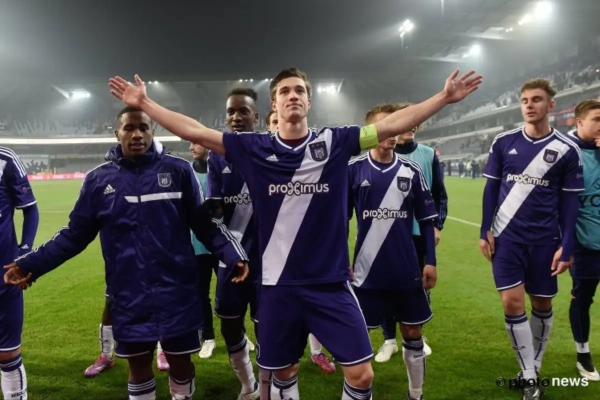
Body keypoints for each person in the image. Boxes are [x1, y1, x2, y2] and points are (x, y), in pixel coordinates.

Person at [108, 67, 482, 400]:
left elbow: (390, 125)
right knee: (284, 374)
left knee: (362, 374)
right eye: (285, 91)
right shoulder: (254, 148)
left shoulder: (336, 142)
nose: (293, 96)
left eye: (299, 90)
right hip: (277, 287)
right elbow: (197, 132)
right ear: (274, 103)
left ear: (308, 101)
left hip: (330, 284)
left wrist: (444, 97)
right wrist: (146, 104)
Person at [4, 107, 250, 400]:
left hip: (177, 291)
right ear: (117, 133)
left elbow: (204, 225)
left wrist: (233, 255)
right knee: (138, 367)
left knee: (181, 364)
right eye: (129, 128)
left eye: (143, 128)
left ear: (152, 132)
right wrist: (31, 264)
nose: (137, 134)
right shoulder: (98, 181)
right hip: (129, 293)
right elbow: (74, 236)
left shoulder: (178, 171)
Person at [479, 78, 583, 400]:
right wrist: (484, 229)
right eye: (524, 100)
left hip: (545, 240)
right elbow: (491, 188)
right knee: (511, 302)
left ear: (550, 105)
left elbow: (570, 201)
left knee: (542, 304)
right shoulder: (503, 142)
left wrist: (567, 244)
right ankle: (528, 378)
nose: (529, 105)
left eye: (536, 99)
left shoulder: (567, 149)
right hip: (507, 239)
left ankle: (533, 368)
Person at [348, 104, 438, 400]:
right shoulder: (353, 170)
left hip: (406, 270)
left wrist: (431, 262)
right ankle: (360, 393)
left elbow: (427, 220)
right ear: (371, 132)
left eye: (395, 125)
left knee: (412, 333)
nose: (392, 132)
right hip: (365, 273)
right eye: (385, 126)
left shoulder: (411, 170)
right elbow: (339, 221)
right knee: (357, 337)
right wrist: (341, 260)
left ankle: (416, 394)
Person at [375, 103, 448, 363]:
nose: (411, 125)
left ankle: (418, 335)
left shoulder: (428, 155)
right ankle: (389, 340)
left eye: (414, 121)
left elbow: (439, 195)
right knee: (385, 287)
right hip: (387, 233)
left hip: (419, 234)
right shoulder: (382, 155)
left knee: (420, 285)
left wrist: (437, 225)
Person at [266, 109, 335, 374]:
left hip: (312, 254)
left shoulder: (312, 157)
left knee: (315, 307)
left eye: (278, 121)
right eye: (273, 122)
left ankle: (316, 353)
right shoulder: (262, 158)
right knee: (276, 327)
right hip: (274, 258)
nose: (277, 126)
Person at [206, 87, 262, 399]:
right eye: (231, 111)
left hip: (268, 258)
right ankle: (248, 384)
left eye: (243, 111)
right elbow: (214, 211)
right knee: (229, 324)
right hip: (232, 258)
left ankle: (268, 385)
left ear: (256, 116)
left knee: (268, 326)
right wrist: (209, 210)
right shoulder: (217, 155)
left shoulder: (270, 150)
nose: (236, 117)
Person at [0, 146, 39, 400]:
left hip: (3, 275)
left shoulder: (5, 159)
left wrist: (24, 252)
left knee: (7, 355)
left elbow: (30, 208)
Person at [567, 99, 600, 381]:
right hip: (584, 244)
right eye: (597, 119)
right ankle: (583, 353)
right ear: (579, 122)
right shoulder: (568, 153)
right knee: (583, 298)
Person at [189, 142, 219, 359]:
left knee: (230, 294)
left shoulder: (221, 171)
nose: (191, 147)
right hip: (197, 244)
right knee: (201, 294)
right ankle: (208, 337)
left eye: (195, 142)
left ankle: (240, 334)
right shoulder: (187, 173)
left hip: (222, 243)